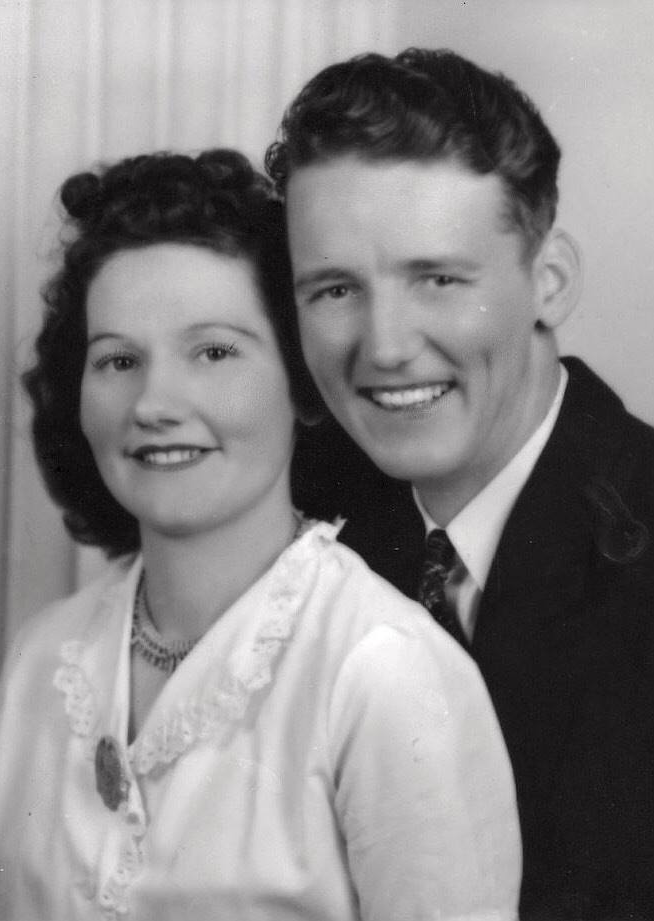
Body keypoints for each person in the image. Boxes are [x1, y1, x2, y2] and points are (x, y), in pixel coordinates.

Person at [0, 149, 520, 921]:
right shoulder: (40, 658)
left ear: (302, 387)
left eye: (213, 351)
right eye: (117, 360)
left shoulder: (384, 672)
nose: (153, 402)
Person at [266, 48, 654, 921]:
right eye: (333, 289)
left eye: (436, 278)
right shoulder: (284, 511)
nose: (385, 346)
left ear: (547, 282)